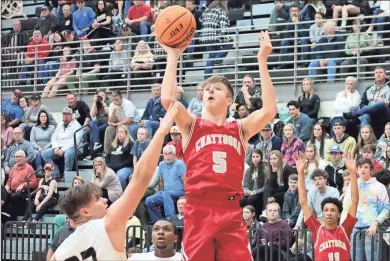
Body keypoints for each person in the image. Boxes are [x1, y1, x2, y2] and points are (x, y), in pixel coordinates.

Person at [160, 31, 277, 260]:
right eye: (207, 89)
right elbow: (168, 101)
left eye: (218, 88)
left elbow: (269, 110)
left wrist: (262, 61)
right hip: (199, 209)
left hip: (230, 210)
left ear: (229, 100)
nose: (210, 90)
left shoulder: (240, 128)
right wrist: (173, 56)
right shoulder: (192, 125)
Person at [50, 102, 178, 260]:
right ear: (85, 211)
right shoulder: (108, 224)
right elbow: (140, 178)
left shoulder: (61, 251)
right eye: (97, 199)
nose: (104, 200)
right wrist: (161, 133)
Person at [296, 151, 358, 261]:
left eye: (333, 210)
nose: (329, 213)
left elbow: (354, 201)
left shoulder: (345, 229)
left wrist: (353, 173)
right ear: (323, 213)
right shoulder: (317, 229)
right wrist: (300, 173)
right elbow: (303, 202)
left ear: (339, 214)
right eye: (326, 210)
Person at [342, 158, 390, 261]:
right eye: (360, 167)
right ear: (357, 170)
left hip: (371, 229)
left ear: (371, 170)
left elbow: (386, 209)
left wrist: (376, 223)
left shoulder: (379, 186)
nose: (363, 170)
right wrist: (343, 226)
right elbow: (346, 208)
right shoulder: (352, 186)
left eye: (366, 167)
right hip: (354, 228)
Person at [145, 144, 186, 222]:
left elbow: (185, 181)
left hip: (179, 192)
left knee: (165, 194)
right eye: (165, 154)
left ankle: (171, 221)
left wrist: (186, 196)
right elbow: (161, 181)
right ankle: (159, 222)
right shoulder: (161, 164)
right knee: (148, 200)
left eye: (170, 153)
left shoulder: (179, 164)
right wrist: (160, 192)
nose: (168, 156)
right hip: (166, 193)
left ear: (174, 155)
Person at [41, 107, 82, 180]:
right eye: (64, 114)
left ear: (71, 115)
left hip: (72, 148)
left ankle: (66, 175)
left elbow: (74, 142)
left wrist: (63, 150)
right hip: (58, 147)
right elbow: (54, 138)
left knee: (68, 153)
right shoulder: (60, 124)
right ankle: (56, 173)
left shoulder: (77, 125)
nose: (65, 116)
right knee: (44, 154)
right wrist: (55, 147)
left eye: (68, 114)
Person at [2, 150, 39, 221]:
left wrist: (23, 185)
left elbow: (34, 183)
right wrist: (7, 188)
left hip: (24, 191)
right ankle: (5, 217)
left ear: (24, 158)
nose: (18, 158)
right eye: (17, 157)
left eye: (20, 157)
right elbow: (9, 181)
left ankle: (13, 219)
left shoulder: (29, 168)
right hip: (13, 190)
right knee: (3, 194)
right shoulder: (14, 167)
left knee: (14, 196)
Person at [200, 0, 232, 76]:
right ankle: (218, 59)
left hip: (205, 37)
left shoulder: (207, 10)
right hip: (214, 36)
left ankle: (207, 74)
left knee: (211, 55)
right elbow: (223, 27)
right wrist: (227, 38)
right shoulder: (221, 10)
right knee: (229, 43)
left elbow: (200, 20)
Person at [276, 4, 311, 69]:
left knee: (303, 39)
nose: (294, 13)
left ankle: (304, 64)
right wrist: (294, 39)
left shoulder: (306, 19)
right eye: (292, 11)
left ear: (299, 12)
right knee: (284, 41)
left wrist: (298, 24)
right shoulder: (290, 20)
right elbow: (287, 35)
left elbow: (305, 34)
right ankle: (282, 64)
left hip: (304, 40)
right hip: (294, 40)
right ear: (290, 13)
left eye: (296, 11)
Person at [105, 125, 134, 190]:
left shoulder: (131, 145)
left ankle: (122, 196)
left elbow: (130, 159)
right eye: (118, 132)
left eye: (122, 132)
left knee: (120, 176)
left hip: (126, 167)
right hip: (113, 167)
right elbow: (107, 157)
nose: (120, 134)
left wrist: (118, 166)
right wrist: (108, 165)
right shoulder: (113, 145)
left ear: (126, 133)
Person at [241, 149, 268, 218]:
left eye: (257, 156)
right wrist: (247, 191)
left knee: (251, 199)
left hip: (260, 192)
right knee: (242, 200)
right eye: (253, 157)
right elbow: (245, 185)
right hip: (250, 192)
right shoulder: (249, 170)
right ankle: (244, 218)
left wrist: (255, 192)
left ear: (261, 157)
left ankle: (253, 218)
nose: (255, 159)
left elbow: (266, 186)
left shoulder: (266, 169)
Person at [87, 90, 109, 159]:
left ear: (106, 97)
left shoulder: (109, 103)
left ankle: (91, 154)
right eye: (100, 96)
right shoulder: (96, 104)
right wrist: (94, 102)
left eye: (103, 95)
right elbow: (92, 115)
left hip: (107, 122)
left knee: (94, 131)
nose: (101, 97)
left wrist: (103, 103)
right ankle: (97, 143)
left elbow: (110, 114)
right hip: (98, 122)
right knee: (91, 123)